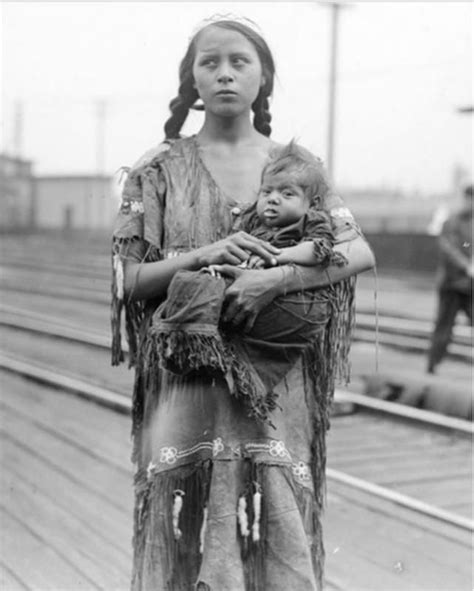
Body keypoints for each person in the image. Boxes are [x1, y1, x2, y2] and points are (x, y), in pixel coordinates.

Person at [111, 16, 375, 591]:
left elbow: (357, 251)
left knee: (278, 517)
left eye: (240, 62)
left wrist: (276, 280)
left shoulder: (297, 169)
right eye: (210, 62)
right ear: (193, 81)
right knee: (181, 520)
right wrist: (209, 250)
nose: (225, 73)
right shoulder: (157, 169)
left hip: (276, 382)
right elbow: (129, 281)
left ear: (264, 79)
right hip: (187, 377)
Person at [146, 140, 349, 426]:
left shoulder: (312, 221)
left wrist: (276, 257)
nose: (273, 199)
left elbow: (319, 250)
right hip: (247, 282)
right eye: (267, 191)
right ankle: (191, 345)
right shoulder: (254, 222)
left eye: (286, 193)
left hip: (287, 295)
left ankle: (221, 358)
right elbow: (237, 254)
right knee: (189, 281)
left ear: (310, 203)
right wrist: (219, 267)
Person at [427, 184, 473, 374]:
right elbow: (448, 248)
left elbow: (467, 243)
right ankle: (432, 366)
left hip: (469, 287)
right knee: (444, 329)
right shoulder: (451, 222)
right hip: (451, 285)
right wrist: (466, 265)